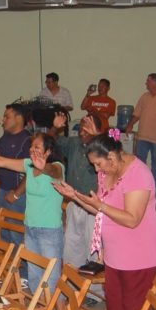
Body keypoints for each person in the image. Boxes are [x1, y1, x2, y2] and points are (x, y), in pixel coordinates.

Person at [53, 126, 156, 310]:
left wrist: (100, 205)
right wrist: (75, 196)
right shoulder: (106, 173)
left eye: (98, 164)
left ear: (112, 157)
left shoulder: (137, 174)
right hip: (115, 253)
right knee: (114, 305)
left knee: (134, 308)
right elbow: (100, 212)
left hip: (139, 254)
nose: (97, 170)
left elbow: (132, 219)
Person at [0, 129, 64, 293]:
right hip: (30, 227)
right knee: (34, 274)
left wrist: (44, 166)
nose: (32, 149)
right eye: (32, 146)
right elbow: (1, 161)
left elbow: (54, 172)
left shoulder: (57, 167)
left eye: (37, 147)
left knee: (51, 276)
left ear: (48, 151)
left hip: (49, 230)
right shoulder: (28, 165)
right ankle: (38, 308)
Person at [51, 111, 100, 271]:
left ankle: (95, 294)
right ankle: (72, 284)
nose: (82, 131)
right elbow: (49, 143)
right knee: (72, 244)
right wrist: (55, 128)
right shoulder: (74, 143)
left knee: (92, 248)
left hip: (93, 208)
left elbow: (114, 153)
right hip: (74, 203)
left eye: (87, 128)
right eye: (81, 128)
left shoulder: (103, 148)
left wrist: (97, 137)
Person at [0, 103, 32, 252]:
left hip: (18, 195)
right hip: (4, 191)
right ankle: (9, 270)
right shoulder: (6, 137)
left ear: (19, 118)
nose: (3, 120)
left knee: (17, 236)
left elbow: (32, 172)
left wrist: (16, 194)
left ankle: (22, 273)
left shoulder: (28, 140)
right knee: (4, 235)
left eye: (7, 116)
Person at [124, 73, 156, 187]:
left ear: (154, 82)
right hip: (143, 136)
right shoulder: (144, 97)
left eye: (148, 81)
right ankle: (140, 180)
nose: (146, 83)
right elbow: (137, 113)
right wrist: (130, 125)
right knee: (140, 159)